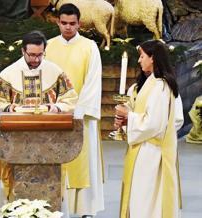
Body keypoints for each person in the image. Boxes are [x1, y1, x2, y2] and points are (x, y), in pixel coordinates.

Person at [0, 30, 78, 202]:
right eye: (32, 55)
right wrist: (9, 107)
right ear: (23, 51)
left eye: (40, 55)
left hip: (49, 141)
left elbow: (71, 99)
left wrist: (56, 107)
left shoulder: (55, 72)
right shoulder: (8, 74)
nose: (36, 59)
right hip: (15, 142)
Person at [45, 4, 104, 217]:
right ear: (58, 22)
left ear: (79, 23)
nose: (68, 27)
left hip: (80, 117)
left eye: (72, 23)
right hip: (54, 115)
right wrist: (54, 108)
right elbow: (44, 81)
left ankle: (84, 209)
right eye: (64, 23)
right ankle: (55, 207)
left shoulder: (89, 47)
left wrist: (78, 111)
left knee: (83, 160)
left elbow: (93, 82)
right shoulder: (48, 47)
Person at [114, 40, 183, 218]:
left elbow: (155, 123)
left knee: (147, 201)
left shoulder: (161, 86)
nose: (139, 60)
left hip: (152, 152)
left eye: (142, 56)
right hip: (141, 149)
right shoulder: (144, 85)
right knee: (138, 197)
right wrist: (124, 121)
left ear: (153, 58)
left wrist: (130, 117)